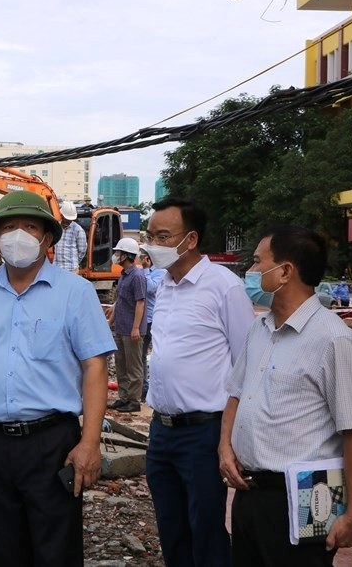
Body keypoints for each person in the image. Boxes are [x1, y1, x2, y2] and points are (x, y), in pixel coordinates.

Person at [0, 190, 115, 567]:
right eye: (8, 227)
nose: (17, 234)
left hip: (52, 442)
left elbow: (95, 369)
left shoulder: (75, 293)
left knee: (56, 549)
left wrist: (89, 442)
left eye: (30, 226)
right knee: (4, 548)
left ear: (47, 238)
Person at [219, 225, 352, 565]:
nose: (251, 273)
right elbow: (236, 394)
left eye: (258, 263)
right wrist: (225, 447)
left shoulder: (333, 340)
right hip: (248, 495)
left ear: (285, 271)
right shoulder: (260, 328)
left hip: (300, 500)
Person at [141, 196, 255, 567]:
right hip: (161, 429)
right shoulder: (164, 286)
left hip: (204, 433)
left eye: (162, 236)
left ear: (189, 240)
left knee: (205, 528)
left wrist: (230, 439)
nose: (152, 245)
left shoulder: (223, 287)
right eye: (150, 235)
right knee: (171, 528)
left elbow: (247, 364)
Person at [106, 237, 146, 413]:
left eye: (118, 253)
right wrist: (110, 322)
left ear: (127, 255)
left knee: (133, 366)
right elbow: (119, 302)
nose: (116, 256)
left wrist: (136, 327)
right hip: (121, 327)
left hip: (132, 330)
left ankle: (134, 400)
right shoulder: (123, 276)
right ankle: (123, 398)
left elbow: (140, 303)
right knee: (121, 364)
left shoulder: (137, 276)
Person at [140, 250, 165, 401]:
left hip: (154, 320)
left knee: (158, 355)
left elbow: (150, 288)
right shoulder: (143, 271)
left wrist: (145, 270)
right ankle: (144, 388)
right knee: (141, 356)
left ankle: (156, 388)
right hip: (144, 320)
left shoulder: (160, 272)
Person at [55, 200, 88, 272]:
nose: (69, 220)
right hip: (56, 267)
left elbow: (82, 251)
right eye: (67, 218)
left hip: (71, 269)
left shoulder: (78, 230)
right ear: (61, 215)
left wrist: (74, 264)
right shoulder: (56, 227)